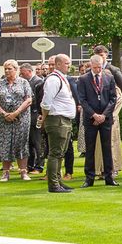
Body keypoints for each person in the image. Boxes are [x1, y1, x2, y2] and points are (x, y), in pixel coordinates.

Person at [78, 54, 119, 187]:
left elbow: (113, 98)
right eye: (95, 68)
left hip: (105, 119)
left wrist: (104, 115)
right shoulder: (83, 79)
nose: (97, 70)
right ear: (91, 66)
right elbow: (82, 100)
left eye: (99, 67)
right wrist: (94, 115)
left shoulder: (109, 77)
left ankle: (109, 176)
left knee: (107, 148)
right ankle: (89, 178)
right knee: (90, 149)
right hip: (90, 119)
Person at [0, 59, 33, 182]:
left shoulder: (23, 83)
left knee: (21, 143)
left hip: (21, 118)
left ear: (16, 69)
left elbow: (28, 99)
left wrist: (16, 112)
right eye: (6, 69)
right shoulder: (0, 83)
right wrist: (4, 113)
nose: (7, 71)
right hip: (4, 119)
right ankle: (5, 172)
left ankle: (23, 171)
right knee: (5, 144)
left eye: (10, 68)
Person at [41, 54, 77, 193]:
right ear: (58, 64)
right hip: (57, 120)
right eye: (67, 63)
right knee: (55, 153)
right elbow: (46, 102)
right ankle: (54, 184)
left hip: (63, 119)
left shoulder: (61, 79)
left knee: (61, 152)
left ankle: (58, 181)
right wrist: (44, 118)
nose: (69, 65)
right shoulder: (54, 80)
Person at [92, 45, 122, 176]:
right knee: (98, 145)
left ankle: (112, 168)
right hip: (98, 117)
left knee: (112, 142)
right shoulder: (92, 77)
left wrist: (107, 115)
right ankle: (100, 168)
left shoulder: (114, 71)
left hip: (110, 117)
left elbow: (119, 95)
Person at [19, 63, 45, 174]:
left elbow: (38, 99)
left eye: (22, 72)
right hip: (26, 114)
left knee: (37, 141)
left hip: (35, 113)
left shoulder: (38, 82)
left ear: (29, 71)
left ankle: (39, 166)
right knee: (28, 142)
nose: (21, 74)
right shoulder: (24, 82)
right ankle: (29, 165)